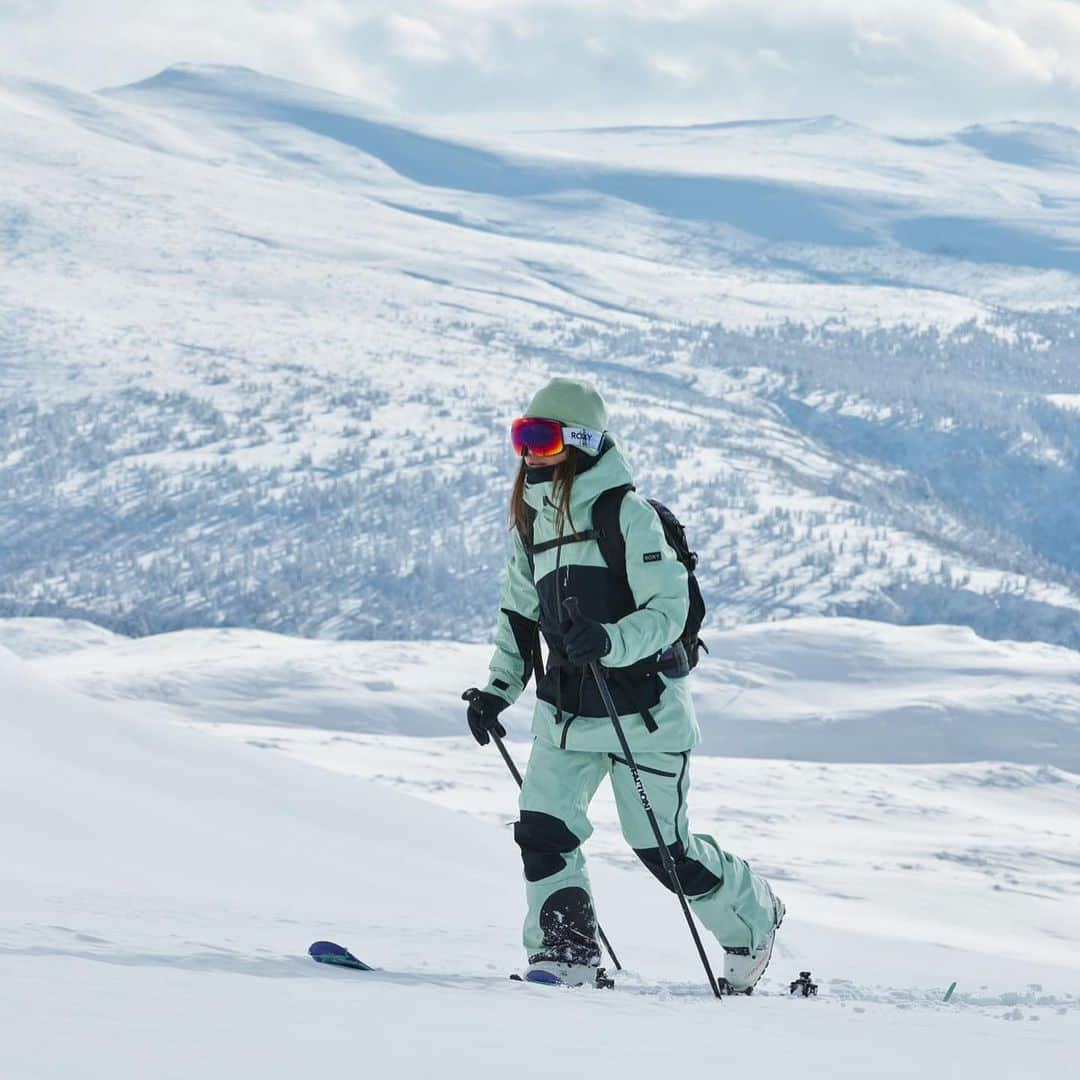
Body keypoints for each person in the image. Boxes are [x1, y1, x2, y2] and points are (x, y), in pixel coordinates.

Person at [463, 377, 784, 990]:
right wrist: (498, 690)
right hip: (565, 713)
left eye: (542, 437)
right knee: (542, 830)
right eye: (521, 437)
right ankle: (567, 952)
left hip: (643, 712)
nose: (528, 451)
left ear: (580, 442)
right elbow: (518, 619)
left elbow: (669, 611)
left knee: (666, 851)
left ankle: (754, 916)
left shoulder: (627, 517)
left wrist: (611, 640)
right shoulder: (530, 530)